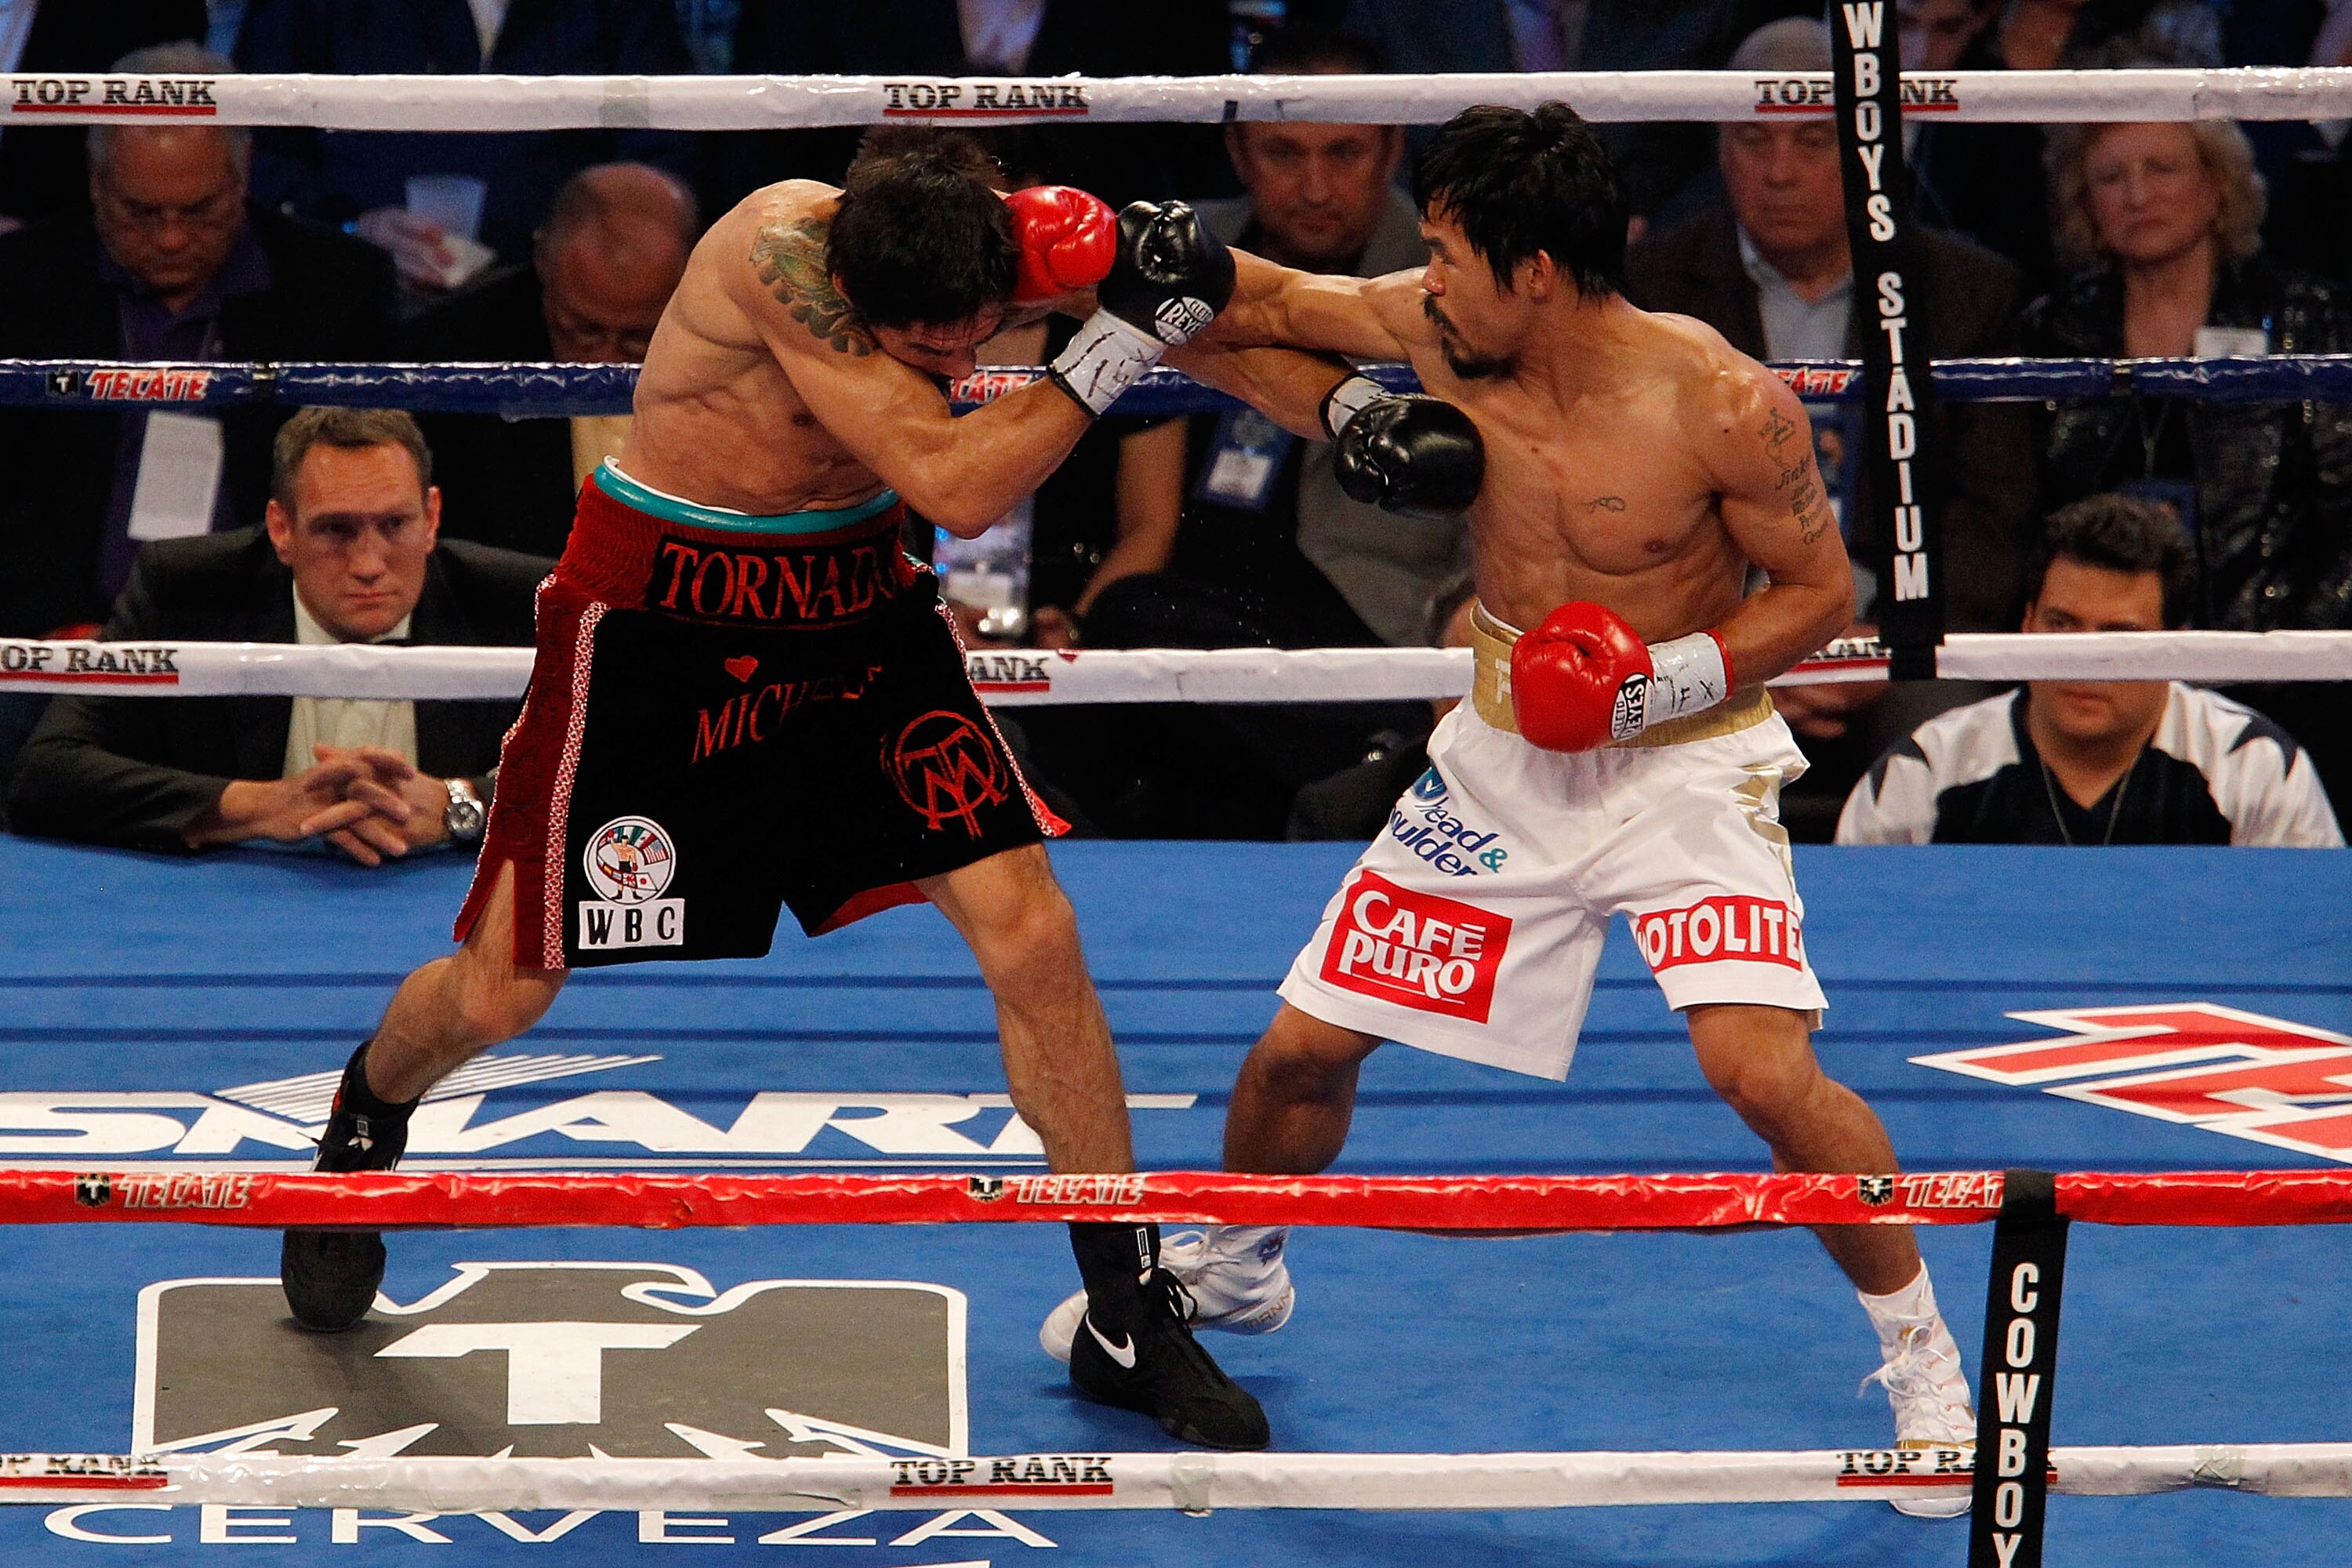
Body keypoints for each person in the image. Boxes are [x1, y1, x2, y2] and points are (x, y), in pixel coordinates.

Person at [274, 125, 1308, 1452]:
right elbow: (961, 480)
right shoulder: (784, 253)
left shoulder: (1002, 253)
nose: (955, 336)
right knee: (504, 988)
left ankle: (1126, 1309)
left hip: (855, 606)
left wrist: (1380, 365)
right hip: (665, 613)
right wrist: (1119, 338)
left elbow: (1246, 304)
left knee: (1035, 932)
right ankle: (369, 1115)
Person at [1038, 103, 1980, 1512]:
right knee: (1301, 1053)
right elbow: (1267, 303)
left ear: (1536, 270)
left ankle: (1925, 1360)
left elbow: (1822, 597)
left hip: (1683, 755)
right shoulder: (1438, 327)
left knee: (1763, 1077)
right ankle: (1236, 1267)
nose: (1425, 274)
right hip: (1502, 750)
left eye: (1449, 251)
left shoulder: (1719, 403)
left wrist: (1643, 691)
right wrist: (1141, 260)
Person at [1624, 16, 2036, 840]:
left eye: (1813, 142)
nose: (1779, 173)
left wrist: (1876, 647)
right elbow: (1626, 497)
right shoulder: (1651, 284)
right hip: (1706, 629)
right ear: (1718, 149)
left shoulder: (1966, 292)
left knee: (1946, 734)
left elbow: (1993, 518)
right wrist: (1739, 651)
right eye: (1752, 140)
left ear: (1869, 151)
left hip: (1901, 635)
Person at [1056, 24, 1459, 840]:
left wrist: (1466, 655)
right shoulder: (1177, 251)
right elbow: (1149, 520)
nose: (1314, 186)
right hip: (1206, 610)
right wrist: (1069, 643)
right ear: (1239, 151)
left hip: (1374, 627)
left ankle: (1397, 754)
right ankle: (1373, 770)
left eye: (1343, 154)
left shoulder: (1449, 280)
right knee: (1123, 632)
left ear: (1391, 153)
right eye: (1284, 154)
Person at [6, 408, 545, 856]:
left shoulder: (519, 602)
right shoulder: (188, 592)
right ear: (281, 529)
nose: (369, 564)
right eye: (336, 529)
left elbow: (619, 764)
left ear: (432, 518)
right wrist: (260, 806)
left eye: (394, 525)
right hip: (226, 918)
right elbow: (44, 774)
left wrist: (464, 804)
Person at [2024, 97, 2352, 808]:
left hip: (2273, 654)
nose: (2138, 196)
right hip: (2088, 652)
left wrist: (2279, 649)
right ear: (2087, 203)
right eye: (2111, 177)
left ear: (2217, 185)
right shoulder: (2051, 330)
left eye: (2163, 168)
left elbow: (2344, 522)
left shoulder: (2311, 319)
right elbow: (2025, 512)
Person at [1837, 494, 2342, 846]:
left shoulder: (2255, 769)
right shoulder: (1925, 772)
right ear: (2027, 624)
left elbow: (2313, 950)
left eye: (2118, 637)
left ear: (2178, 646)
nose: (2084, 659)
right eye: (2062, 625)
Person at [230, 0, 699, 282]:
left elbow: (661, 148)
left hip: (553, 311)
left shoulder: (621, 11)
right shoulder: (313, 10)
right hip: (354, 303)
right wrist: (351, 229)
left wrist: (584, 243)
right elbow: (258, 149)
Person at [403, 163, 699, 558]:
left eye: (637, 339)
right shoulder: (450, 360)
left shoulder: (742, 356)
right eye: (583, 331)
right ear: (544, 263)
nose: (604, 364)